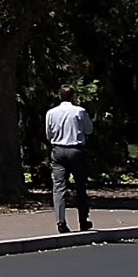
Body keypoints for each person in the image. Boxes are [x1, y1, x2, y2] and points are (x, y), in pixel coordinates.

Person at [45, 85, 95, 233]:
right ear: (73, 96)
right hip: (75, 149)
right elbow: (89, 130)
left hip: (58, 150)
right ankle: (83, 220)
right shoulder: (79, 111)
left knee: (59, 187)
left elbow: (48, 134)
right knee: (80, 186)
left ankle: (60, 221)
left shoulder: (51, 113)